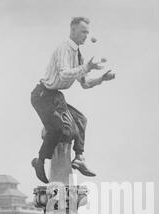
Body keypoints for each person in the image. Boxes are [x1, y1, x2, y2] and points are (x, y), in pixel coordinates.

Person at [31, 16, 115, 183]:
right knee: (59, 129)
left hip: (55, 96)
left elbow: (84, 83)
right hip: (42, 95)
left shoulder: (78, 55)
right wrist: (85, 67)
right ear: (73, 30)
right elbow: (63, 73)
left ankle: (79, 157)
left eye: (87, 32)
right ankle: (39, 161)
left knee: (81, 120)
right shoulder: (64, 49)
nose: (85, 35)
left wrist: (101, 79)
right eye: (83, 31)